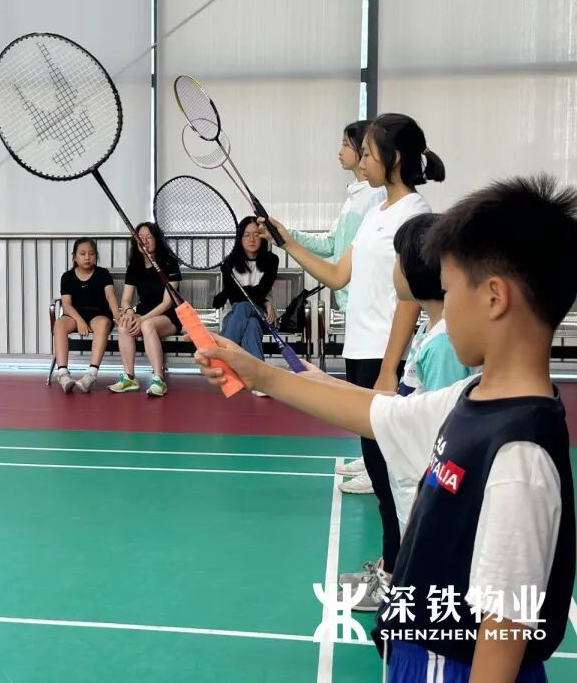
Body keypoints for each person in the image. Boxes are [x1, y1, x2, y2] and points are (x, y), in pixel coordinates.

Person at [196, 174, 575, 683]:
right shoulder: (472, 398)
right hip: (421, 652)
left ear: (494, 298)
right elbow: (378, 412)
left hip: (453, 667)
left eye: (447, 290)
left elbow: (503, 630)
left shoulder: (520, 457)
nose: (439, 303)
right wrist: (258, 372)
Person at [260, 113, 446, 609]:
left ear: (395, 159)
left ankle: (399, 576)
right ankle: (391, 567)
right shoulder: (376, 212)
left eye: (366, 152)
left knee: (394, 476)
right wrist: (287, 241)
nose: (360, 161)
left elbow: (410, 298)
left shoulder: (413, 215)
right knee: (380, 473)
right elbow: (339, 275)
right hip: (360, 350)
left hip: (385, 355)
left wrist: (388, 370)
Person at [389, 213, 473, 533]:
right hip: (413, 479)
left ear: (416, 267)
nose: (393, 268)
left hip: (428, 490)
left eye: (397, 258)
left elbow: (448, 432)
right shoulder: (430, 329)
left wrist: (431, 496)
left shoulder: (443, 345)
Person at [288, 120, 383, 314]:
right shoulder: (353, 198)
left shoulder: (376, 195)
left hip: (368, 304)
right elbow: (330, 244)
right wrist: (287, 235)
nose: (340, 152)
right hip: (349, 303)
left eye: (346, 145)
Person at [110, 222, 181, 397]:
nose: (144, 241)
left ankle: (158, 379)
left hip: (168, 315)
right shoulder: (135, 266)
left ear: (157, 240)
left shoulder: (169, 263)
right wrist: (129, 313)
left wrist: (141, 320)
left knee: (147, 325)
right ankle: (129, 377)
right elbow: (126, 300)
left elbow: (167, 303)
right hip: (143, 312)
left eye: (149, 237)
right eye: (140, 238)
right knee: (124, 326)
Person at [52, 237, 117, 394]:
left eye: (91, 254)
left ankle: (91, 375)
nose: (87, 257)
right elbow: (67, 305)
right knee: (59, 324)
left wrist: (118, 315)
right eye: (82, 254)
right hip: (75, 315)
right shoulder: (67, 276)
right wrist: (80, 321)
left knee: (103, 324)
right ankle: (63, 374)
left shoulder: (103, 274)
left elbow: (110, 296)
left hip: (98, 314)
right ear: (74, 257)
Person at [212, 216, 279, 360]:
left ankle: (222, 355)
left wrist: (261, 300)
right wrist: (265, 301)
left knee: (243, 306)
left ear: (263, 237)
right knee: (251, 324)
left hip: (263, 314)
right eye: (247, 235)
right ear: (240, 238)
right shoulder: (229, 262)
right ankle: (258, 371)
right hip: (233, 315)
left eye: (256, 235)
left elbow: (260, 292)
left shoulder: (271, 260)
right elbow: (234, 298)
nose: (252, 239)